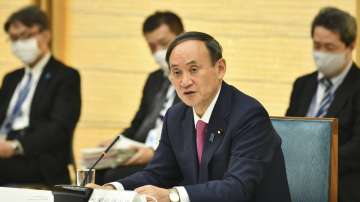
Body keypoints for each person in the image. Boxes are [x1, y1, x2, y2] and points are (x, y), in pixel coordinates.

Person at [89, 31, 291, 202]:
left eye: (193, 70)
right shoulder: (176, 116)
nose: (184, 81)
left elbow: (238, 188)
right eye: (177, 72)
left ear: (220, 68)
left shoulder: (248, 115)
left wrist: (172, 196)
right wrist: (112, 189)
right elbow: (158, 173)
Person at [95, 11, 183, 184]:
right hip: (141, 149)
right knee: (98, 166)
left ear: (181, 38)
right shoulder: (154, 79)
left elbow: (191, 131)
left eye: (164, 44)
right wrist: (116, 143)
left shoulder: (193, 80)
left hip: (169, 156)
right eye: (152, 47)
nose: (158, 52)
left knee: (114, 178)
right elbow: (138, 124)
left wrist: (154, 151)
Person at [0, 5, 81, 186]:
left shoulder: (66, 76)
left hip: (36, 157)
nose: (19, 44)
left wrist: (14, 146)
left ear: (46, 35)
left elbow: (59, 129)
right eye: (14, 38)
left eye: (26, 36)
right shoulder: (11, 79)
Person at [286, 7, 360, 202]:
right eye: (317, 45)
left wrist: (314, 162)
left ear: (350, 46)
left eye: (330, 47)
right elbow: (288, 131)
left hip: (343, 187)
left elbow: (357, 148)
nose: (321, 53)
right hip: (297, 184)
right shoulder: (302, 84)